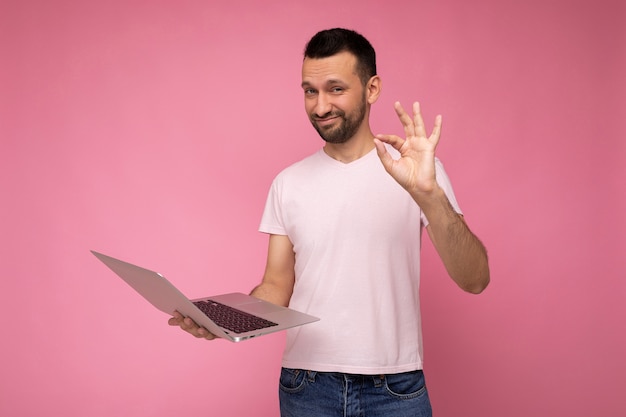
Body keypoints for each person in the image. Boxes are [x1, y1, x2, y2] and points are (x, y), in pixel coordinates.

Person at [169, 28, 490, 416]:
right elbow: (276, 286)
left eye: (335, 89)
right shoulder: (288, 183)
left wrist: (430, 195)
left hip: (394, 388)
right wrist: (222, 320)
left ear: (372, 89)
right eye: (310, 91)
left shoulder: (418, 172)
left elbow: (475, 279)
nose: (320, 106)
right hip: (306, 387)